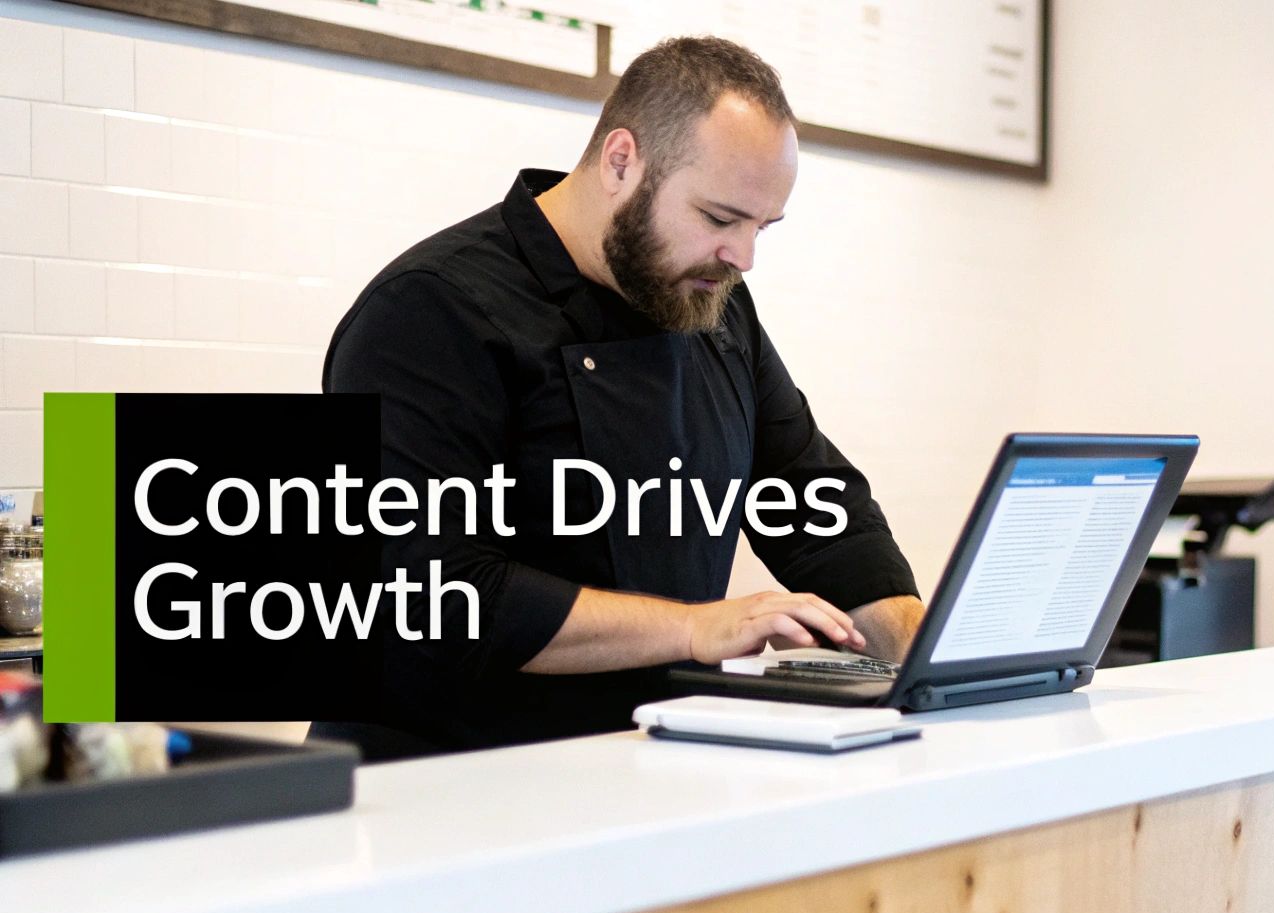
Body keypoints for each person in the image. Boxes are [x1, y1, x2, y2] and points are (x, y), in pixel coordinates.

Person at [314, 37, 924, 760]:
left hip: (633, 760)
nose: (743, 257)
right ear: (621, 160)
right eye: (720, 218)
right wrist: (697, 628)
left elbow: (819, 509)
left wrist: (930, 653)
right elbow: (440, 592)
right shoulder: (430, 311)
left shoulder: (715, 307)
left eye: (762, 227)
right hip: (440, 778)